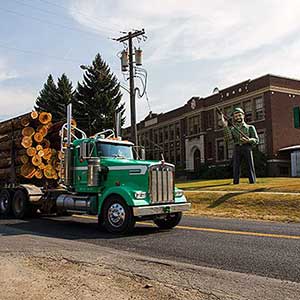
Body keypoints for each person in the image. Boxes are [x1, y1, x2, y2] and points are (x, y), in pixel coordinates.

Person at [221, 107, 259, 184]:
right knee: (236, 166)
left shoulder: (250, 128)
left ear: (243, 115)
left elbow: (256, 140)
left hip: (247, 147)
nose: (238, 117)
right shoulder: (232, 129)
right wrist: (225, 127)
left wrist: (249, 140)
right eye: (236, 116)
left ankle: (252, 181)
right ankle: (236, 182)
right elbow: (229, 139)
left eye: (239, 115)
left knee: (250, 165)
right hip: (237, 148)